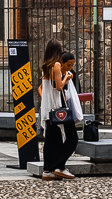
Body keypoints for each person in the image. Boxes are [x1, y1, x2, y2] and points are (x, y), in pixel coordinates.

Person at [39, 39, 78, 179]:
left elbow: (44, 88)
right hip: (58, 107)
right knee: (72, 138)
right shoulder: (56, 65)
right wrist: (67, 77)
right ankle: (60, 166)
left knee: (51, 140)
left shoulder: (45, 66)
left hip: (49, 108)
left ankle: (47, 170)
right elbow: (59, 87)